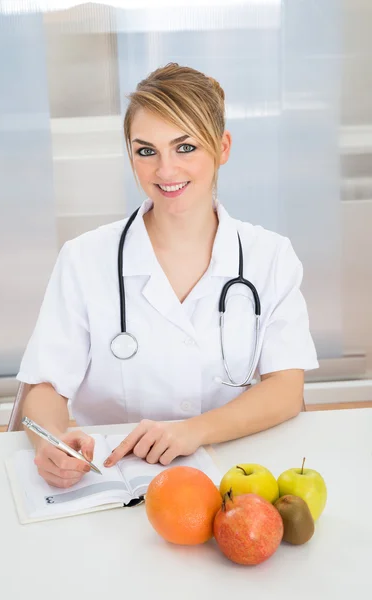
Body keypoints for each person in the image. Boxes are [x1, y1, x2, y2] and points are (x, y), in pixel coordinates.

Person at [18, 63, 318, 488]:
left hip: (237, 477)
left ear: (223, 147)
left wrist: (193, 430)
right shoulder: (85, 258)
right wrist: (51, 442)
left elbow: (286, 386)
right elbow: (44, 386)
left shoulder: (268, 256)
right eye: (146, 151)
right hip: (111, 483)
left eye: (185, 147)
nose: (165, 170)